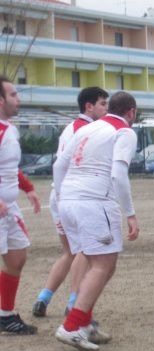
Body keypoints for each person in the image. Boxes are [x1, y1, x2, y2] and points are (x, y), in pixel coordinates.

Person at [52, 91, 140, 351]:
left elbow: (59, 166)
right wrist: (131, 213)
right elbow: (119, 174)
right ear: (131, 112)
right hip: (94, 201)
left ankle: (84, 321)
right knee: (103, 265)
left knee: (98, 264)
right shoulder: (124, 132)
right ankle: (71, 326)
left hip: (69, 199)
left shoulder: (87, 128)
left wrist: (62, 197)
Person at [33, 86, 108, 319]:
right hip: (74, 195)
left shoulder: (70, 128)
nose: (106, 109)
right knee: (84, 251)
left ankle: (43, 298)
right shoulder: (90, 130)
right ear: (89, 106)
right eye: (103, 104)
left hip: (60, 194)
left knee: (69, 252)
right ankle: (75, 303)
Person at [0, 75, 41, 335]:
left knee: (17, 255)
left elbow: (9, 168)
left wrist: (28, 189)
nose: (19, 98)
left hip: (9, 207)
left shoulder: (10, 128)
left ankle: (6, 315)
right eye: (13, 94)